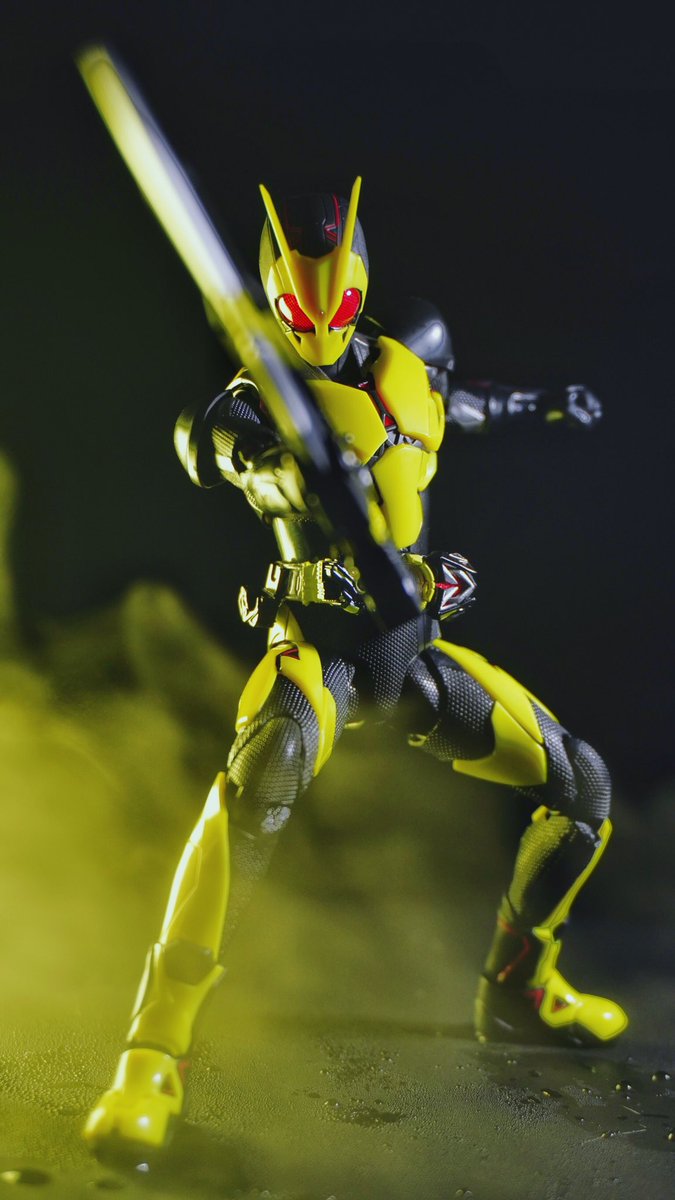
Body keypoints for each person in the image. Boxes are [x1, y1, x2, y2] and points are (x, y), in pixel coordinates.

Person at [84, 178, 627, 1154]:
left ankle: (520, 989)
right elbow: (216, 448)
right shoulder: (256, 398)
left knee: (580, 787)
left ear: (361, 285)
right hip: (319, 658)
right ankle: (151, 1055)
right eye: (297, 313)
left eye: (334, 306)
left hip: (411, 655)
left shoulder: (410, 360)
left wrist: (543, 404)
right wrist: (288, 464)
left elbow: (457, 407)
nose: (318, 328)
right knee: (257, 784)